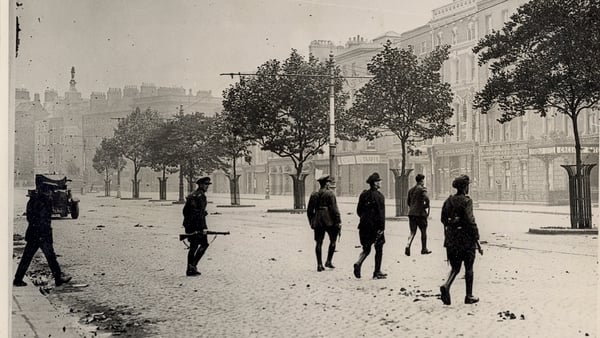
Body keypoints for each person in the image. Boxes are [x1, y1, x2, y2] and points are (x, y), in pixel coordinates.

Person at [13, 184, 72, 287]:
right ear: (46, 191)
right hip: (42, 235)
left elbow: (30, 217)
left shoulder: (33, 200)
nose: (51, 193)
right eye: (50, 191)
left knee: (28, 257)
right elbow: (44, 219)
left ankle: (18, 279)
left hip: (33, 233)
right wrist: (43, 233)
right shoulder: (44, 201)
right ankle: (58, 278)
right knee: (50, 257)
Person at [439, 175, 483, 305]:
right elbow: (470, 221)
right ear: (465, 187)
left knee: (455, 267)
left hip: (451, 239)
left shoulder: (448, 200)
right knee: (469, 267)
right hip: (466, 240)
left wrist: (453, 222)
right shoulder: (467, 201)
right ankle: (468, 296)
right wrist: (477, 237)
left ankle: (446, 285)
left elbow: (443, 219)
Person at [353, 172, 387, 279]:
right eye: (379, 181)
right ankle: (377, 272)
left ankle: (358, 262)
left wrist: (365, 219)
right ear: (375, 183)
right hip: (375, 227)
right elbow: (381, 214)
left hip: (363, 226)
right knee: (379, 248)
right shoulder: (380, 196)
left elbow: (359, 211)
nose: (380, 182)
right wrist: (381, 228)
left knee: (366, 248)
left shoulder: (363, 194)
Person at [306, 175, 342, 271]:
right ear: (326, 184)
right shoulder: (330, 194)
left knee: (318, 242)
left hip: (318, 220)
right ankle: (328, 261)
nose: (329, 184)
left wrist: (312, 222)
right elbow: (334, 209)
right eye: (328, 183)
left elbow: (309, 211)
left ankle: (319, 264)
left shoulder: (314, 194)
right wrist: (338, 221)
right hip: (329, 220)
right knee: (333, 241)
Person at [182, 176, 212, 277]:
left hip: (189, 224)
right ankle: (193, 266)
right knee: (204, 244)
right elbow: (199, 214)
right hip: (197, 225)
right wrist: (203, 228)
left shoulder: (192, 195)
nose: (207, 187)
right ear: (200, 185)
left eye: (208, 185)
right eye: (206, 185)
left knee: (193, 246)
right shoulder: (201, 196)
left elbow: (185, 211)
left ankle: (190, 268)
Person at [405, 174, 431, 256]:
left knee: (412, 231)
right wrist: (425, 206)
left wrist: (413, 208)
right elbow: (427, 198)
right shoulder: (422, 189)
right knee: (423, 231)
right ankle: (424, 249)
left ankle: (408, 245)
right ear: (422, 180)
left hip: (411, 213)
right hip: (420, 214)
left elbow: (408, 202)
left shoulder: (411, 190)